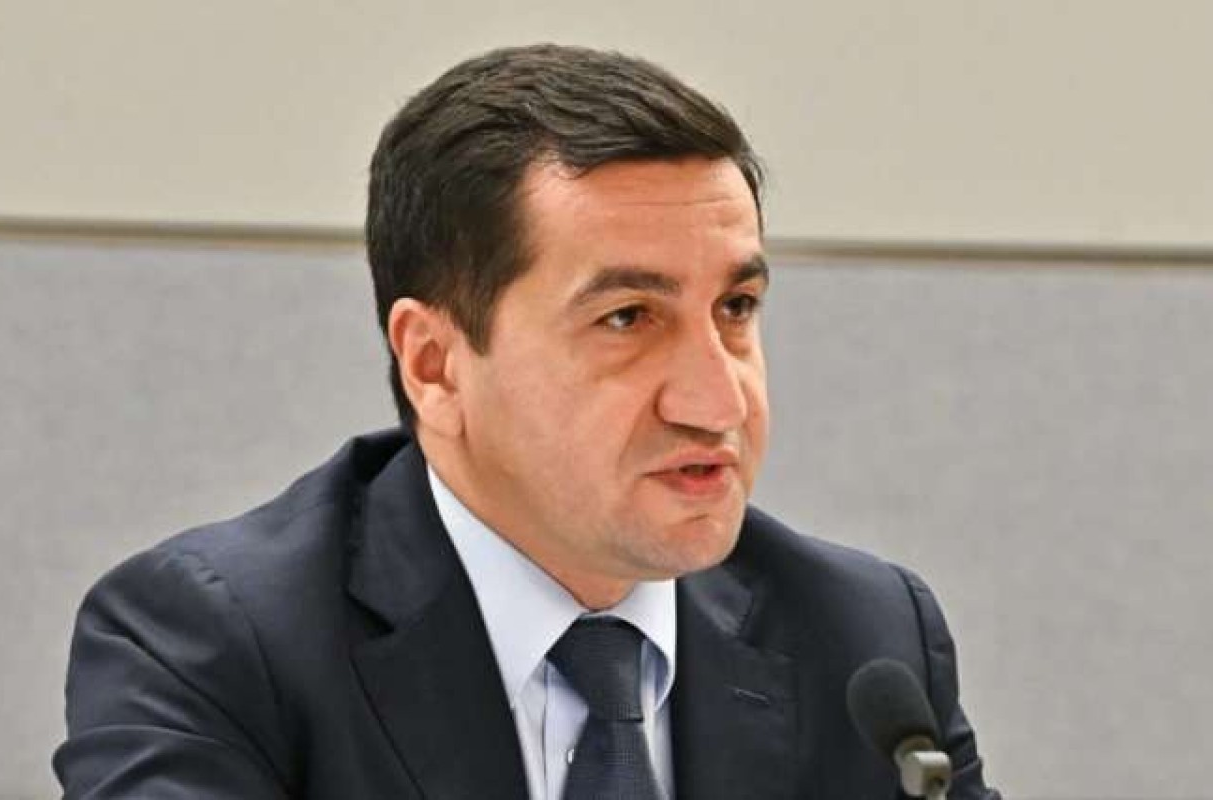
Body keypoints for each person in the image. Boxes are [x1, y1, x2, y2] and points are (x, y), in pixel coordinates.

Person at [55, 44, 1001, 799]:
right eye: (627, 319)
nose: (719, 401)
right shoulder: (217, 643)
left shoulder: (861, 636)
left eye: (736, 309)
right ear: (435, 363)